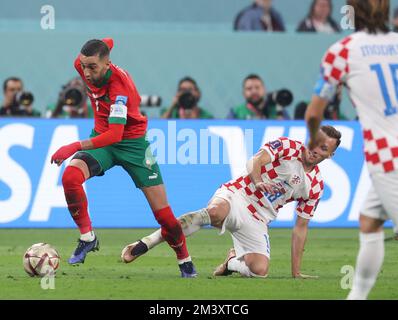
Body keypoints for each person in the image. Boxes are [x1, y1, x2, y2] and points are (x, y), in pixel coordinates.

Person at [50, 38, 197, 278]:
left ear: (107, 64)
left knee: (165, 217)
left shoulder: (120, 88)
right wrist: (108, 42)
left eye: (92, 67)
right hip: (102, 141)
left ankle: (185, 260)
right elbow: (107, 42)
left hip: (133, 145)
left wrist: (72, 146)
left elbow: (115, 134)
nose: (86, 72)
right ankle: (88, 237)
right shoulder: (83, 63)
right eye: (84, 65)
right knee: (70, 177)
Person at [121, 126, 341, 278]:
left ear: (329, 155)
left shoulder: (315, 186)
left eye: (324, 148)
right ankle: (147, 242)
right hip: (238, 195)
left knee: (260, 270)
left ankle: (231, 262)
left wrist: (296, 272)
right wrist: (257, 181)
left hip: (259, 218)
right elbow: (256, 160)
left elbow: (301, 228)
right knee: (214, 212)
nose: (315, 149)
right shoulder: (288, 147)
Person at [304, 0, 397, 299]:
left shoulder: (342, 51)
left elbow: (314, 114)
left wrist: (311, 138)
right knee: (369, 221)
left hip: (389, 158)